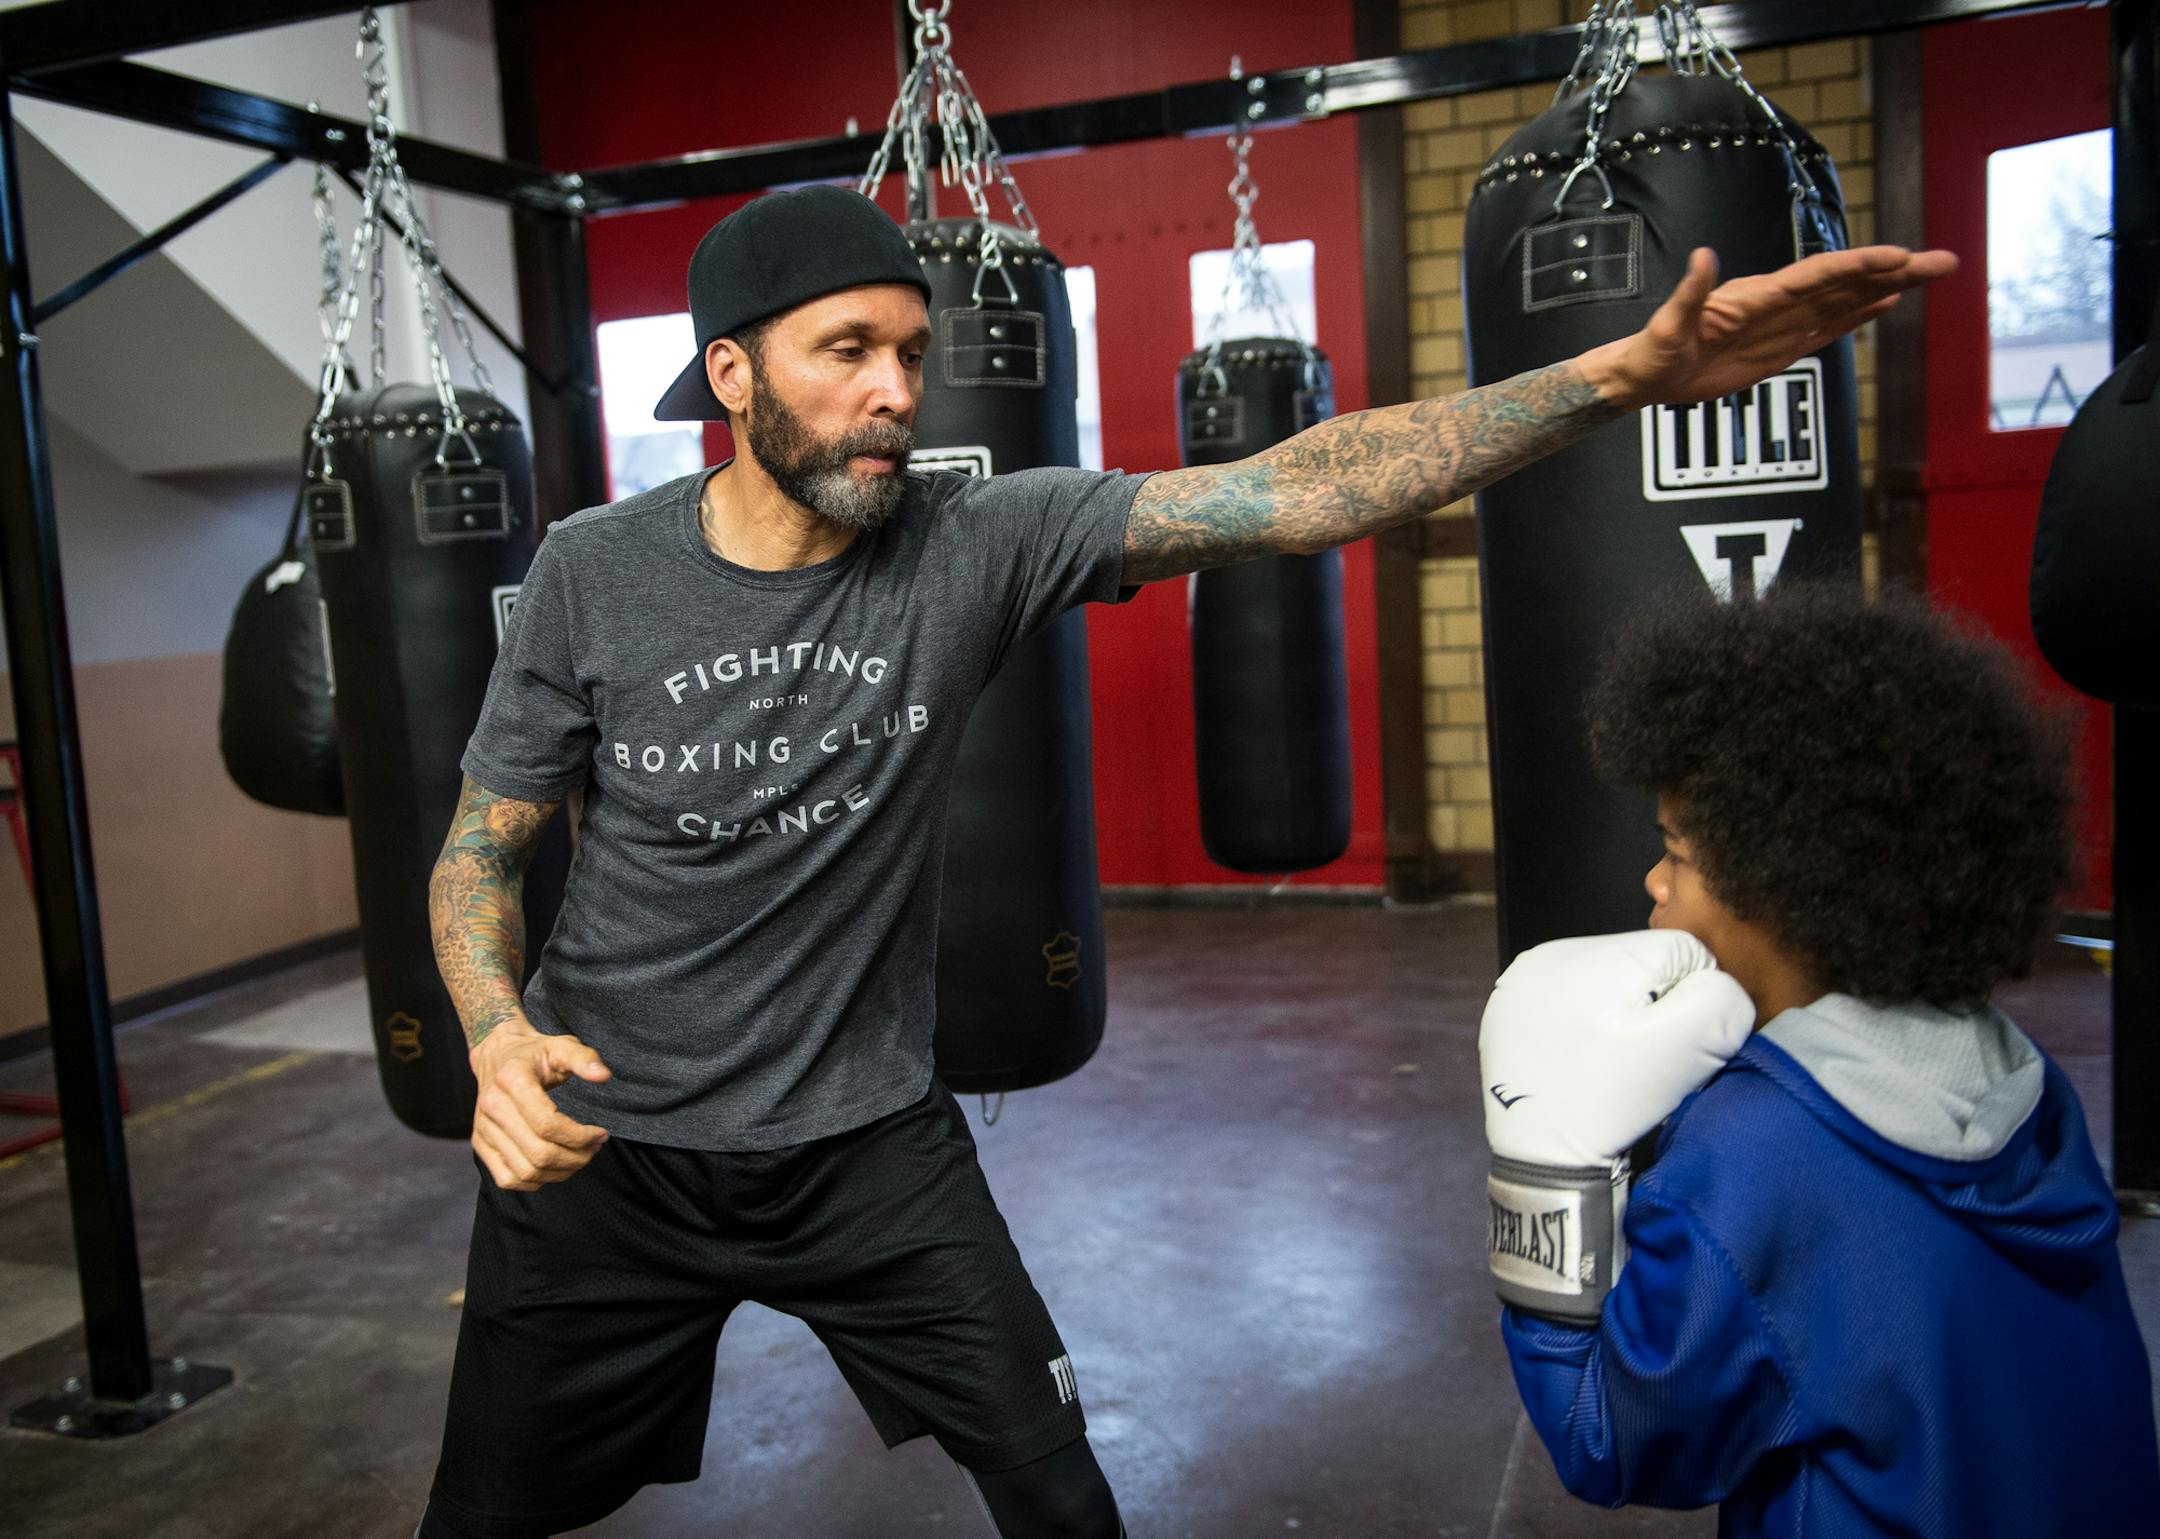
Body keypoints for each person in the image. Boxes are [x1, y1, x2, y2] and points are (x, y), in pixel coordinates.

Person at [416, 182, 1950, 1538]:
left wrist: (1622, 374)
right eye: (846, 353)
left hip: (864, 1144)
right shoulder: (593, 572)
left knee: (1061, 1485)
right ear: (733, 373)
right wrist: (492, 1034)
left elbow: (1299, 485)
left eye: (910, 349)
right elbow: (480, 851)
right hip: (603, 1143)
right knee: (483, 1508)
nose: (894, 390)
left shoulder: (975, 540)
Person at [1478, 583, 2160, 1539]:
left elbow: (1609, 1438)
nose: (1654, 880)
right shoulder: (2024, 1078)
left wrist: (1542, 1178)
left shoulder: (1752, 1155)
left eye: (1676, 850)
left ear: (1782, 880)